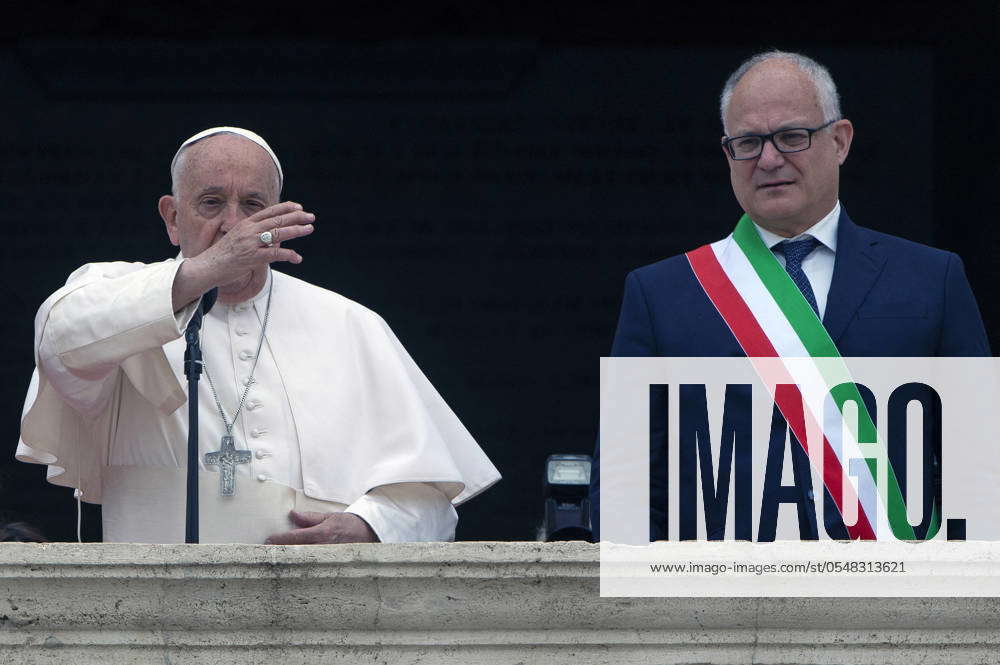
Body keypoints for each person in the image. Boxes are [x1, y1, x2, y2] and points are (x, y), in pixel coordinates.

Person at [17, 127, 500, 544]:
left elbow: (432, 504)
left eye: (253, 205)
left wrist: (370, 525)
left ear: (281, 216)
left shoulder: (351, 325)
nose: (234, 225)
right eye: (211, 203)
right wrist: (203, 272)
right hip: (159, 622)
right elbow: (60, 341)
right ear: (171, 217)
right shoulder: (115, 296)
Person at [590, 51, 990, 541]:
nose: (769, 159)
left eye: (792, 136)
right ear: (727, 154)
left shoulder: (932, 279)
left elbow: (978, 468)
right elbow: (623, 490)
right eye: (748, 142)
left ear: (840, 141)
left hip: (892, 599)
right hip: (718, 604)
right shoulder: (661, 293)